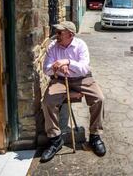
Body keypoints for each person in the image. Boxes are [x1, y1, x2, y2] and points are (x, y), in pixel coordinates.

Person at [40, 21, 106, 163]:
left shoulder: (81, 45)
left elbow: (84, 68)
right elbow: (46, 68)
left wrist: (68, 62)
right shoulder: (53, 46)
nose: (56, 35)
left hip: (81, 79)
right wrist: (57, 67)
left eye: (60, 33)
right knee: (47, 102)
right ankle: (55, 139)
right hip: (59, 79)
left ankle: (95, 135)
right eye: (56, 32)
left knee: (99, 98)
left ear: (70, 34)